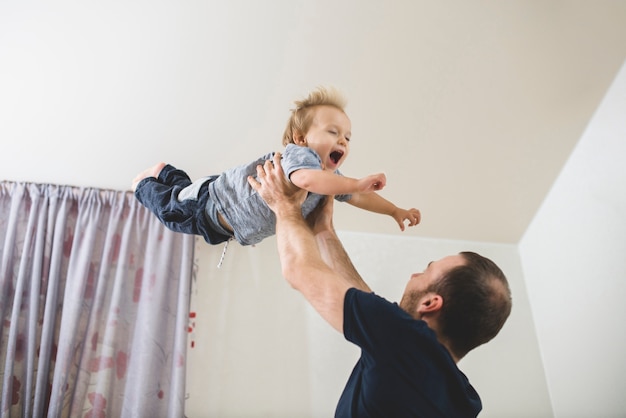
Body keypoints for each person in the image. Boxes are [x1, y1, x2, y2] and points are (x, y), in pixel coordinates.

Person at [247, 153, 513, 418]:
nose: (413, 275)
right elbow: (365, 304)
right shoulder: (464, 402)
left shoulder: (403, 340)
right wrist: (324, 231)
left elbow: (298, 269)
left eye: (426, 271)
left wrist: (283, 204)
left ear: (431, 303)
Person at [131, 86, 421, 246]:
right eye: (333, 133)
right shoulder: (299, 157)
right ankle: (148, 181)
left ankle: (168, 175)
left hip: (226, 228)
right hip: (211, 204)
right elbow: (307, 180)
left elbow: (359, 196)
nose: (343, 142)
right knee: (170, 211)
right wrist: (357, 183)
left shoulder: (330, 179)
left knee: (182, 196)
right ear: (301, 137)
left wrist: (394, 210)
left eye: (347, 137)